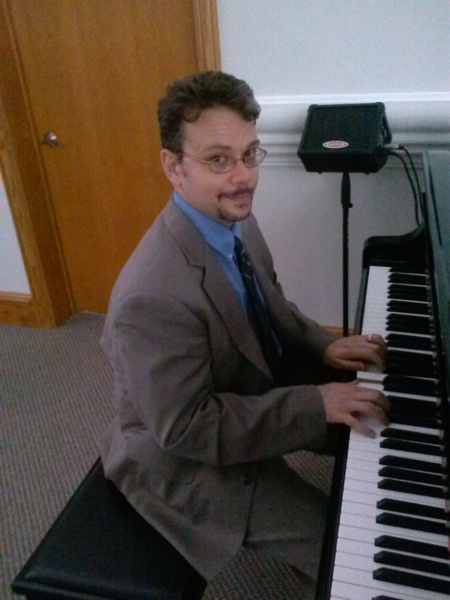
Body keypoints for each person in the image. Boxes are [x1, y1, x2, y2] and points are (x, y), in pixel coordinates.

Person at [99, 71, 388, 597]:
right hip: (179, 460)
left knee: (382, 409)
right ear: (174, 167)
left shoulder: (234, 218)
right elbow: (187, 429)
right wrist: (316, 403)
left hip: (242, 388)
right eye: (218, 159)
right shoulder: (152, 298)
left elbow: (273, 303)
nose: (243, 177)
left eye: (249, 154)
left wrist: (324, 345)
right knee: (342, 551)